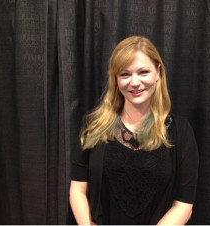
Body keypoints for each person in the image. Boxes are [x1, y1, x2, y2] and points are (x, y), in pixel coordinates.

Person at [70, 36, 199, 225]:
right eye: (125, 74)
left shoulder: (182, 132)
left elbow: (184, 205)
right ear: (115, 78)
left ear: (158, 72)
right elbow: (78, 190)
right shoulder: (93, 126)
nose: (135, 82)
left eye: (143, 72)